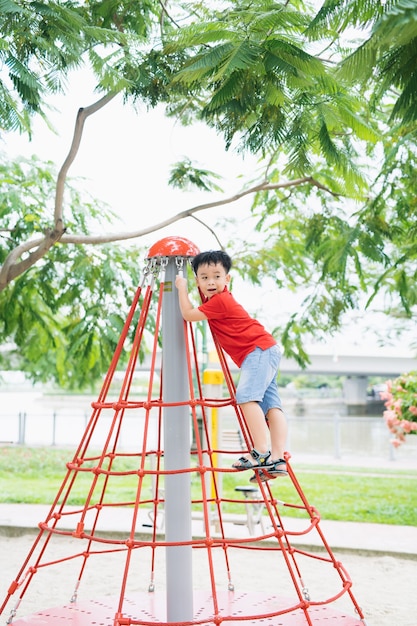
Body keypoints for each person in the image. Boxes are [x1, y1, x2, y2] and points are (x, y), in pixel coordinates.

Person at [175, 249, 288, 483]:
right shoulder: (214, 299)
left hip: (257, 350)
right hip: (266, 349)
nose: (211, 282)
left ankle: (260, 451)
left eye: (217, 276)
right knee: (271, 406)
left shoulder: (221, 301)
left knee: (246, 397)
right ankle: (277, 460)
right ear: (199, 281)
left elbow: (187, 314)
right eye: (204, 278)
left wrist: (181, 287)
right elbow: (201, 296)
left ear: (228, 279)